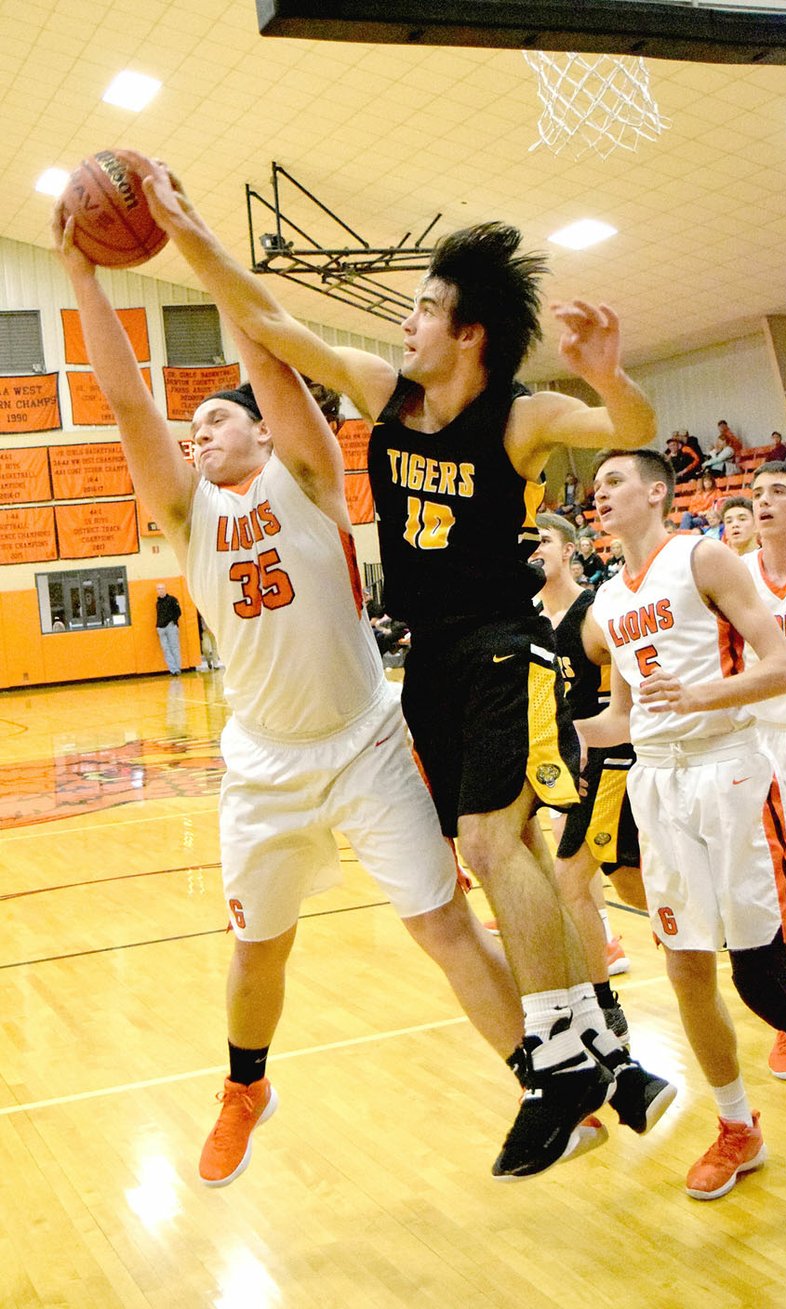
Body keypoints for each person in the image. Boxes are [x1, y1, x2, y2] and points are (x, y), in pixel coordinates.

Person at [140, 159, 676, 1180]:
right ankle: (599, 1054)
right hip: (425, 664)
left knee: (486, 841)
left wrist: (605, 370)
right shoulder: (385, 394)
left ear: (466, 332)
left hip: (501, 647)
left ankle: (564, 1066)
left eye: (424, 309)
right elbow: (275, 329)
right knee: (497, 854)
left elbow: (629, 430)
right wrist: (195, 240)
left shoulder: (516, 417)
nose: (406, 324)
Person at [53, 205, 539, 1191]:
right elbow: (125, 403)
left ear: (263, 433)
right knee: (255, 951)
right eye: (194, 427)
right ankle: (245, 1087)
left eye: (218, 417)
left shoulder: (310, 477)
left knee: (441, 924)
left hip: (364, 743)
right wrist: (85, 277)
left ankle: (542, 1078)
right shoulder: (188, 515)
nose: (198, 432)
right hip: (265, 768)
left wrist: (194, 243)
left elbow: (268, 350)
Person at [578, 447, 786, 1201]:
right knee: (685, 967)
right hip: (658, 782)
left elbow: (783, 663)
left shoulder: (703, 557)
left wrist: (701, 695)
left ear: (655, 491)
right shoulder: (607, 602)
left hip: (730, 771)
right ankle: (738, 1126)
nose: (599, 493)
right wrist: (564, 732)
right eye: (595, 486)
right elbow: (622, 714)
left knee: (763, 978)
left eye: (613, 481)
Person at [529, 514, 651, 1046]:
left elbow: (628, 707)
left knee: (572, 881)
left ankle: (603, 1005)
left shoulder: (595, 614)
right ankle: (707, 932)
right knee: (627, 883)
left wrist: (569, 740)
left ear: (571, 549)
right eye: (527, 540)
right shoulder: (527, 618)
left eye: (545, 539)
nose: (533, 548)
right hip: (569, 766)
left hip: (613, 758)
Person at [743, 461, 786, 1080]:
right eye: (755, 493)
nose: (763, 501)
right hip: (757, 745)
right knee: (776, 889)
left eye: (778, 491)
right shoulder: (733, 578)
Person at [155, 582, 182, 674]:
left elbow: (178, 612)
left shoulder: (172, 599)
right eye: (158, 589)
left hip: (170, 626)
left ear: (165, 589)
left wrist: (173, 622)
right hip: (161, 628)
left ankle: (177, 668)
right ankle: (172, 669)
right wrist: (158, 627)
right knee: (165, 649)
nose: (160, 590)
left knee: (174, 647)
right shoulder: (157, 603)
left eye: (162, 588)